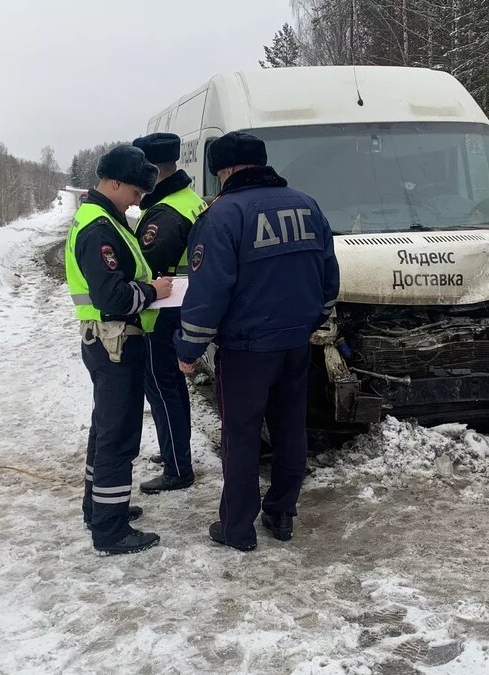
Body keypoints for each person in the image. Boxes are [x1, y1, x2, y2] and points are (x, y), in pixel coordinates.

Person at [175, 132, 340, 552]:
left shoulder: (223, 215)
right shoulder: (307, 205)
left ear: (225, 171)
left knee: (242, 436)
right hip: (296, 342)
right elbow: (328, 276)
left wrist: (189, 350)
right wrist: (311, 320)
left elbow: (208, 292)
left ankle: (237, 528)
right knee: (289, 428)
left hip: (247, 349)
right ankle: (282, 512)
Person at [65, 144, 172, 555]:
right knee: (118, 435)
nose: (138, 200)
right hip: (115, 341)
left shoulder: (105, 218)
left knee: (105, 429)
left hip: (109, 340)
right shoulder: (99, 228)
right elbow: (111, 295)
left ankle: (99, 508)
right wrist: (153, 290)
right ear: (112, 183)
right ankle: (110, 531)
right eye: (134, 192)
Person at [131, 132, 206, 495]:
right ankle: (173, 450)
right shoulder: (189, 200)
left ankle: (178, 466)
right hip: (185, 307)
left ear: (149, 171)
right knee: (172, 387)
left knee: (163, 389)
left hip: (162, 312)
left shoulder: (165, 213)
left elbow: (144, 266)